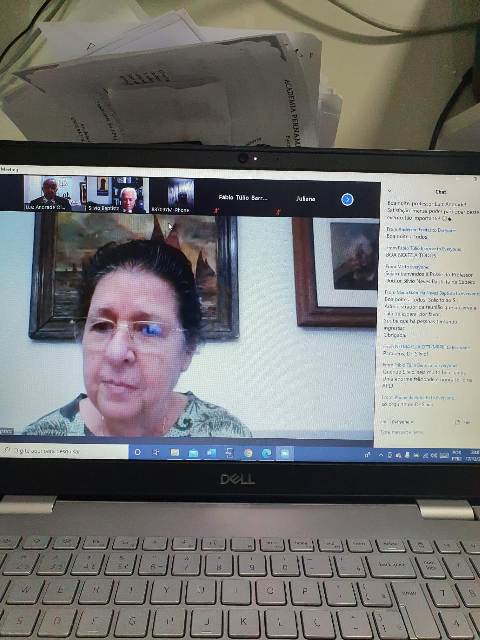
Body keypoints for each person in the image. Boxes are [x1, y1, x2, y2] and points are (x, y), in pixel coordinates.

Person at [24, 240, 250, 438]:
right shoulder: (39, 443)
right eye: (102, 325)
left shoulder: (225, 437)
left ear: (188, 350)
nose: (115, 353)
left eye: (149, 329)